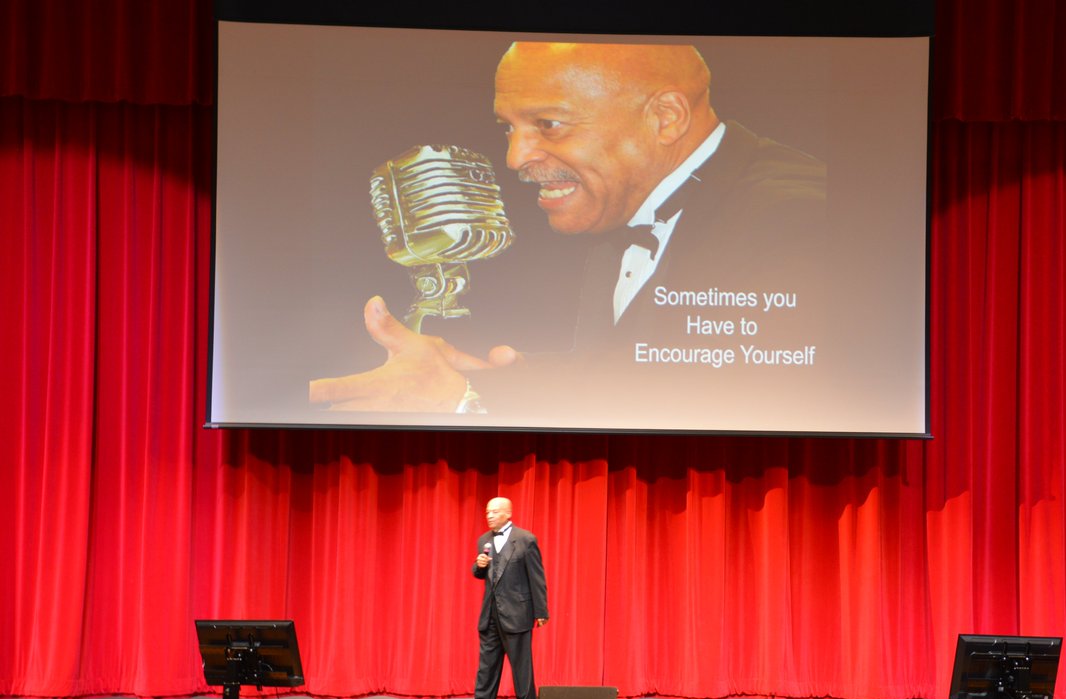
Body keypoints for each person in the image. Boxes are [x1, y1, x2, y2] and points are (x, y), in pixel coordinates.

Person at [311, 42, 825, 426]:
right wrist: (505, 379)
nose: (515, 158)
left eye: (549, 124)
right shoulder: (622, 203)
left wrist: (463, 398)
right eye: (508, 128)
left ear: (665, 118)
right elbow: (639, 367)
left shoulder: (795, 215)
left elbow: (727, 395)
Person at [465, 496, 548, 699]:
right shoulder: (484, 540)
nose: (489, 515)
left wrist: (541, 611)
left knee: (521, 665)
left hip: (517, 612)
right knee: (487, 666)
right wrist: (478, 566)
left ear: (507, 514)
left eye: (494, 512)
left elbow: (536, 577)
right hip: (490, 614)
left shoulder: (525, 540)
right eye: (487, 512)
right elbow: (481, 573)